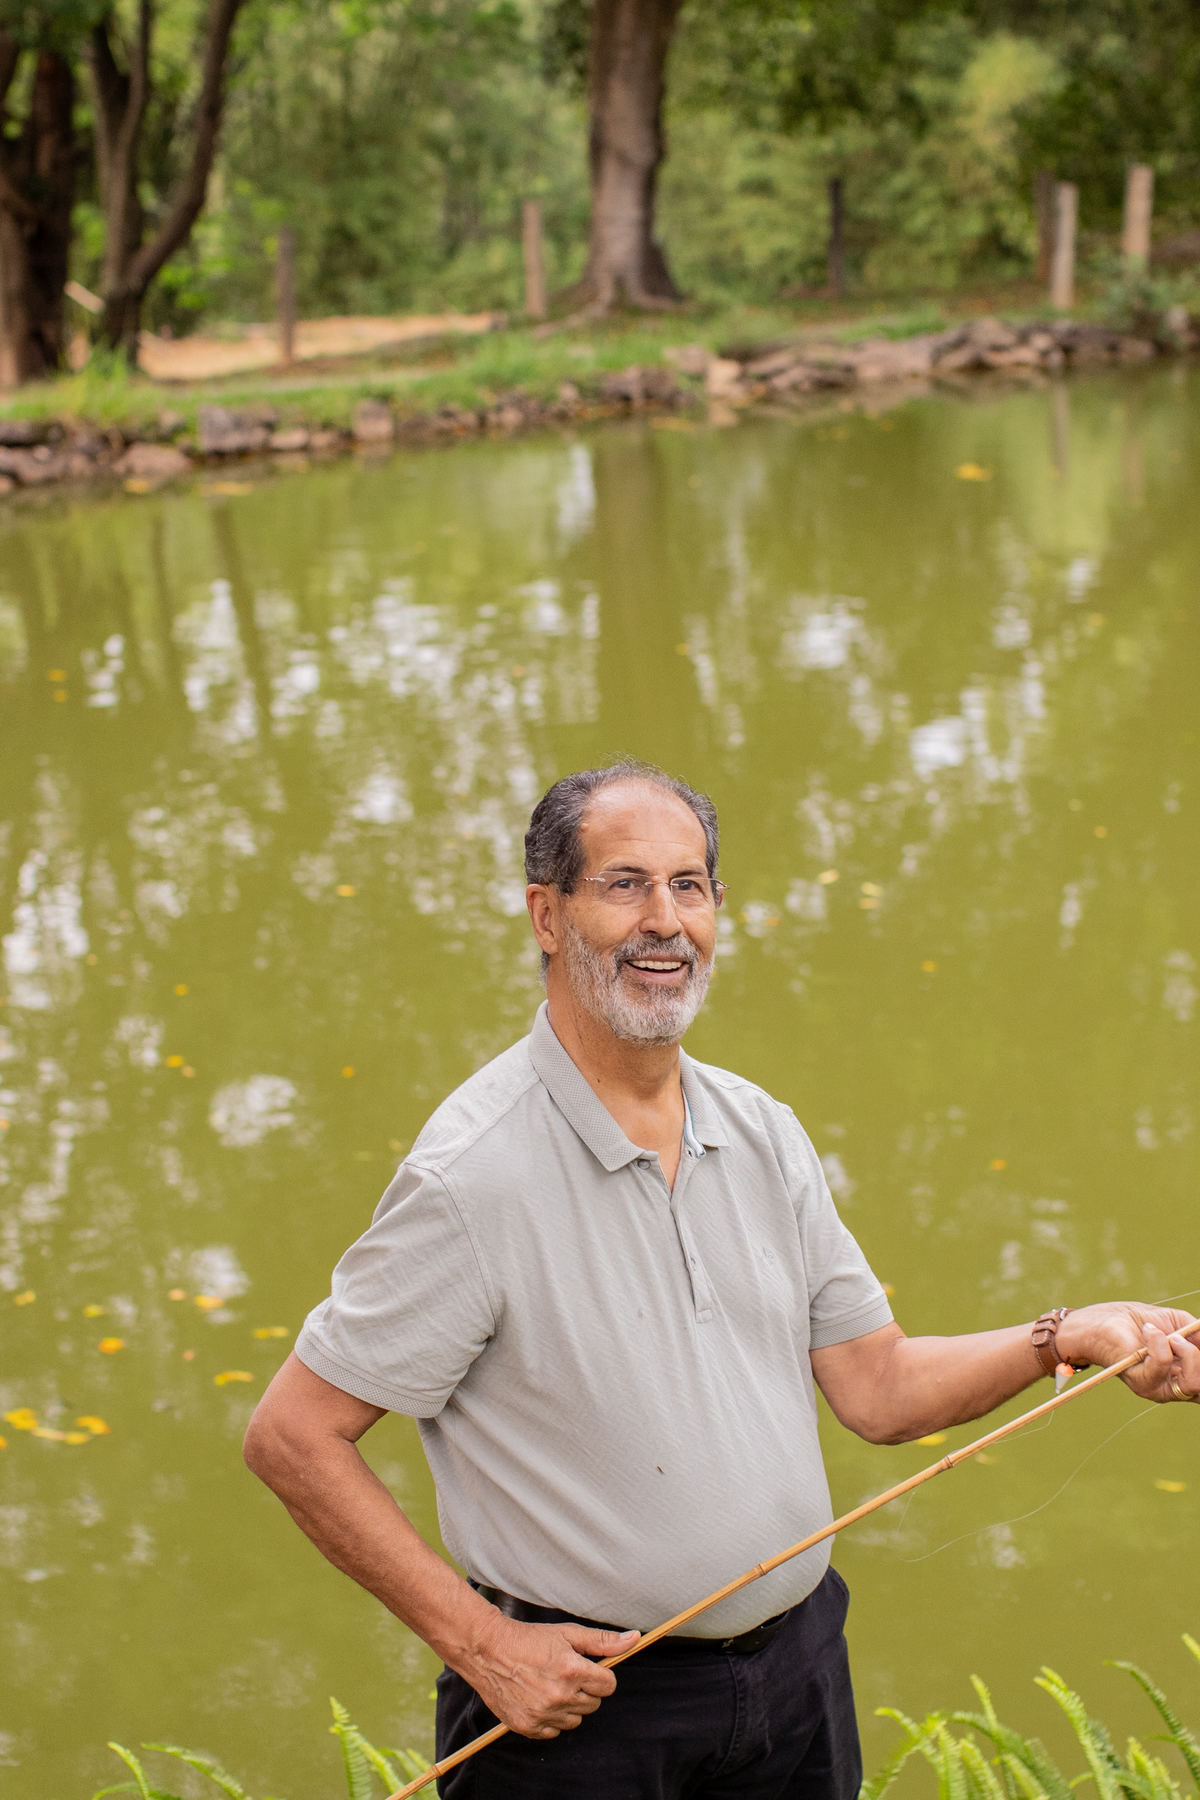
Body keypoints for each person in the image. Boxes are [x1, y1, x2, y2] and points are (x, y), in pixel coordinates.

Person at [244, 760, 1199, 1800]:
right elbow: (294, 1435)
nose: (665, 921)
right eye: (623, 884)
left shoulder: (761, 1131)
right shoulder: (473, 1176)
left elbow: (877, 1388)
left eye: (688, 886)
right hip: (585, 1718)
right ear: (546, 915)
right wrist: (479, 1643)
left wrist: (1069, 1337)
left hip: (795, 1680)